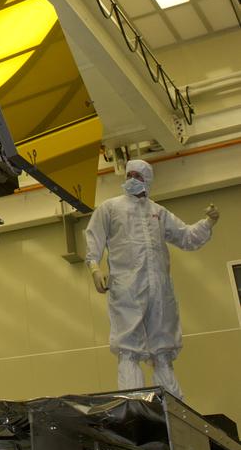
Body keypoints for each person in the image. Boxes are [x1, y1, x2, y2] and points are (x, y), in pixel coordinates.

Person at [85, 159, 219, 397]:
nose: (131, 180)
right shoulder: (110, 208)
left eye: (137, 175)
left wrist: (208, 222)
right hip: (127, 288)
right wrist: (94, 266)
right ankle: (133, 404)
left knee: (162, 350)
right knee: (128, 349)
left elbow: (185, 236)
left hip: (159, 291)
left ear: (148, 180)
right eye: (129, 175)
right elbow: (94, 236)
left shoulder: (158, 212)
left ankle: (173, 407)